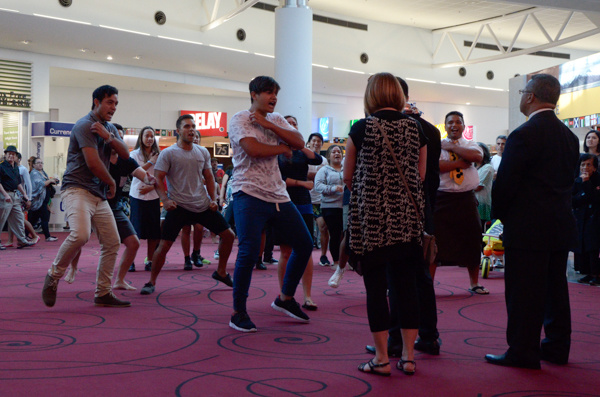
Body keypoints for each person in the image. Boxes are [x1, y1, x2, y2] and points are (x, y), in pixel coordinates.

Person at [486, 73, 579, 369]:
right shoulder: (569, 136)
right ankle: (556, 347)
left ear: (530, 96)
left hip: (528, 227)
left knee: (524, 292)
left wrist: (500, 216)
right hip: (560, 223)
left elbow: (506, 184)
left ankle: (523, 352)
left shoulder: (524, 134)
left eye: (522, 92)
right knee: (555, 289)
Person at [346, 72, 427, 376]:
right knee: (407, 287)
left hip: (373, 222)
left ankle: (380, 359)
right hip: (406, 220)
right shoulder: (414, 128)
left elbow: (347, 176)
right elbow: (419, 177)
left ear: (371, 95)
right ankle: (408, 357)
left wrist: (373, 195)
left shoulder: (361, 128)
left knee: (376, 289)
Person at [227, 75, 313, 332]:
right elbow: (253, 149)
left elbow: (299, 143)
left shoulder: (275, 119)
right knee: (249, 251)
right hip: (248, 192)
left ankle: (285, 298)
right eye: (267, 92)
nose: (273, 97)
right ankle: (238, 312)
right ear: (254, 94)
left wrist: (270, 125)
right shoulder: (239, 118)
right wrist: (282, 149)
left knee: (305, 243)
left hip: (278, 194)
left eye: (275, 92)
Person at [365, 76, 442, 358]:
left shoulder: (372, 127)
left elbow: (355, 178)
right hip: (422, 209)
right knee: (419, 277)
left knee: (394, 278)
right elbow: (426, 177)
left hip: (388, 214)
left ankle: (395, 341)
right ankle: (429, 336)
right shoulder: (429, 130)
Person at [41, 85, 131, 308]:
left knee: (112, 242)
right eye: (110, 102)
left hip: (97, 195)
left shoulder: (109, 128)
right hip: (77, 189)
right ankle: (53, 275)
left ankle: (103, 292)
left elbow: (126, 154)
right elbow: (92, 163)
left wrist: (109, 137)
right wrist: (110, 182)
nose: (113, 107)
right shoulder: (84, 125)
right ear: (96, 101)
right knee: (80, 235)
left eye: (116, 103)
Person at [139, 114, 235, 295]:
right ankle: (151, 281)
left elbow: (208, 177)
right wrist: (165, 200)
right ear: (178, 131)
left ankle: (221, 272)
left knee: (229, 235)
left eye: (193, 126)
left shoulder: (202, 152)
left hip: (202, 204)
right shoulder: (168, 153)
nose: (191, 129)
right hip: (179, 206)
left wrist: (214, 200)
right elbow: (158, 178)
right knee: (164, 245)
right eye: (187, 126)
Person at [432, 111, 487, 294]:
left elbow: (476, 157)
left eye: (458, 122)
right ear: (445, 126)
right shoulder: (436, 145)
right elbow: (435, 166)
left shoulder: (471, 144)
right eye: (450, 122)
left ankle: (474, 283)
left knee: (472, 240)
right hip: (442, 199)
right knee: (436, 242)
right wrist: (459, 163)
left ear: (464, 126)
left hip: (466, 199)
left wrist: (453, 148)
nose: (454, 125)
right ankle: (428, 286)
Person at [276, 114, 323, 310]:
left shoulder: (302, 151)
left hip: (303, 202)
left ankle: (307, 296)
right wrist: (301, 183)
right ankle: (284, 295)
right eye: (288, 123)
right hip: (283, 202)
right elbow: (278, 178)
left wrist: (300, 144)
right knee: (286, 251)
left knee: (306, 249)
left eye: (294, 123)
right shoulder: (277, 150)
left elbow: (318, 158)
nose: (292, 125)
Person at [129, 126, 162, 272]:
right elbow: (135, 171)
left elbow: (162, 176)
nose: (149, 138)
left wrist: (152, 187)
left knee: (153, 232)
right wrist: (151, 162)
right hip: (137, 195)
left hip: (153, 195)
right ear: (141, 138)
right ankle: (130, 261)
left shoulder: (159, 155)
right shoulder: (134, 154)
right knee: (135, 231)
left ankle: (150, 260)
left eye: (152, 136)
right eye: (146, 136)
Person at [180, 130, 212, 270]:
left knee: (199, 228)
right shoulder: (182, 154)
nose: (196, 139)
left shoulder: (203, 154)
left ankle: (196, 253)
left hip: (201, 197)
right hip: (185, 197)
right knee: (186, 228)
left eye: (198, 137)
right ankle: (187, 258)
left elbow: (209, 176)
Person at [315, 145, 345, 270]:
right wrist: (333, 189)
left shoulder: (347, 169)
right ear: (329, 156)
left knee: (346, 235)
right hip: (330, 206)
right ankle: (337, 261)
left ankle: (346, 260)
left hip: (345, 206)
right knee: (335, 234)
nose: (337, 154)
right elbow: (318, 186)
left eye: (339, 152)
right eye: (334, 152)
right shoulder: (324, 170)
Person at [572, 154, 600, 285]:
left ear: (594, 168)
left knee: (593, 246)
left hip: (595, 218)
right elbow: (573, 201)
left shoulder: (598, 180)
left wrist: (587, 184)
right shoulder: (577, 180)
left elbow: (595, 198)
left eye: (589, 165)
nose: (585, 167)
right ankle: (588, 272)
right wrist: (584, 193)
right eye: (583, 164)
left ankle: (596, 273)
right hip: (581, 218)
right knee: (583, 245)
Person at [0, 145, 34, 250]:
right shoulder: (1, 166)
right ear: (5, 155)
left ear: (16, 156)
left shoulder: (15, 168)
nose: (11, 155)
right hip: (5, 195)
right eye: (9, 153)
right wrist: (5, 195)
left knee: (19, 218)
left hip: (14, 195)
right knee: (1, 219)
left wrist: (24, 194)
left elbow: (18, 183)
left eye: (13, 154)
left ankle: (22, 241)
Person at [307, 133, 330, 264]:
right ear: (308, 143)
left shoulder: (324, 160)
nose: (316, 143)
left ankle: (323, 255)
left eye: (319, 141)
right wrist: (318, 175)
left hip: (320, 199)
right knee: (305, 229)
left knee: (323, 226)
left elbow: (325, 178)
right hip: (305, 198)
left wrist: (313, 176)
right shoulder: (303, 157)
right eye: (314, 141)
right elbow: (304, 175)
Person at [29, 157, 59, 242]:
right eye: (38, 162)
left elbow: (46, 182)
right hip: (38, 200)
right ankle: (47, 236)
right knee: (44, 218)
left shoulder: (42, 172)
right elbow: (41, 184)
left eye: (41, 162)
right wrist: (50, 181)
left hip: (42, 200)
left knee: (33, 220)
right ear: (34, 165)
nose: (40, 164)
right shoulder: (34, 173)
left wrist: (52, 181)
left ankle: (25, 235)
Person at [475, 143, 494, 229]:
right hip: (471, 202)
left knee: (480, 230)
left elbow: (478, 187)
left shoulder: (487, 167)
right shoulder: (471, 167)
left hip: (481, 203)